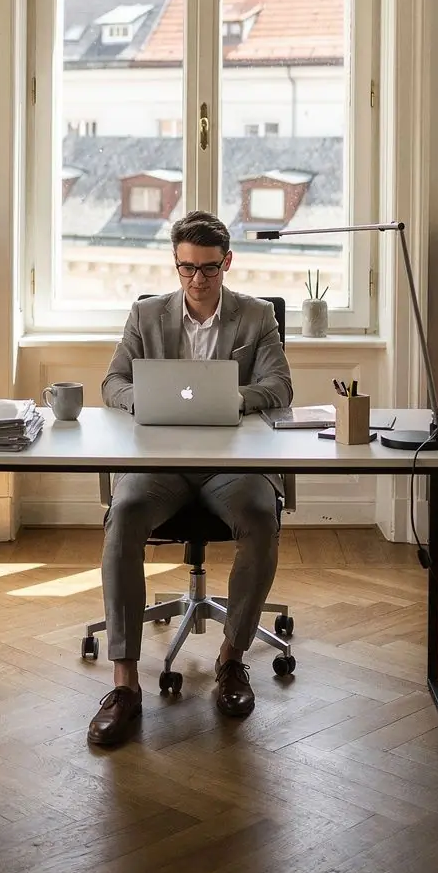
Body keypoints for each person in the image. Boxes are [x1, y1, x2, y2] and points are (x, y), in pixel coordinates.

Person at [88, 209, 293, 748]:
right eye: (186, 268)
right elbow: (112, 382)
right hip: (161, 463)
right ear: (175, 264)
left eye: (208, 268)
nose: (197, 279)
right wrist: (145, 400)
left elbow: (279, 387)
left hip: (232, 464)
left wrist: (227, 398)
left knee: (259, 518)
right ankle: (125, 683)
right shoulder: (146, 315)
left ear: (227, 262)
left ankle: (231, 658)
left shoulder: (257, 317)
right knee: (124, 516)